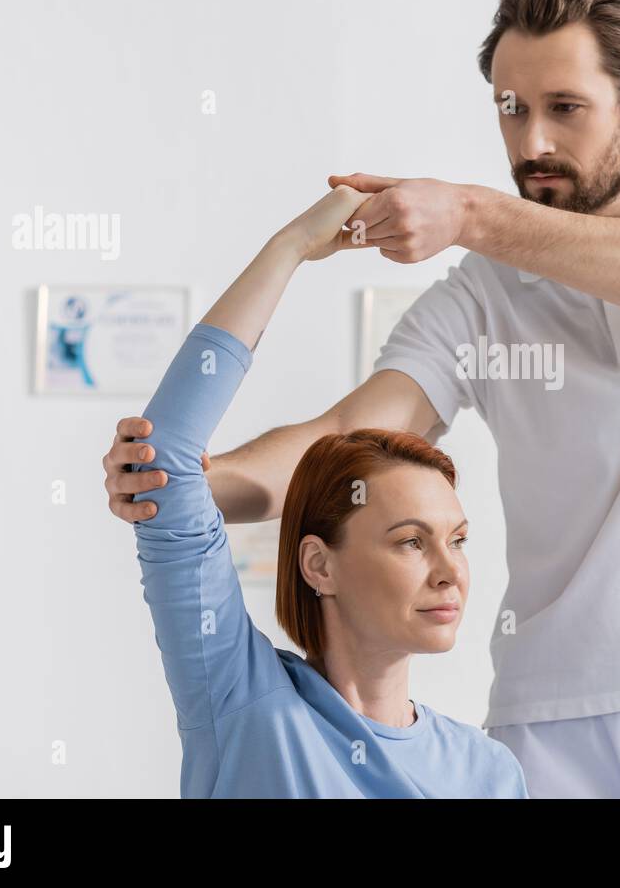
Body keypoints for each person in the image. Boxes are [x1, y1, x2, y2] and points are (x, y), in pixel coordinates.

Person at [105, 0, 620, 798]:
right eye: (510, 108)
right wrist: (183, 485)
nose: (531, 142)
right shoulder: (482, 299)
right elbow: (341, 441)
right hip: (555, 715)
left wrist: (466, 214)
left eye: (564, 108)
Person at [129, 184, 528, 798]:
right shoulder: (245, 704)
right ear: (319, 564)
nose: (451, 572)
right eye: (410, 543)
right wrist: (291, 247)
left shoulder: (488, 772)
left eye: (458, 539)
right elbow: (167, 460)